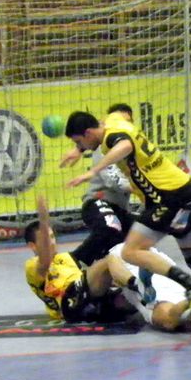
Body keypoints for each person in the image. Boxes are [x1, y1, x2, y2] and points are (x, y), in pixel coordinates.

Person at [63, 104, 191, 332]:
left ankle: (190, 283)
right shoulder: (114, 119)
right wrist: (79, 150)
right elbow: (120, 116)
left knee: (130, 251)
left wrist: (93, 170)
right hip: (184, 189)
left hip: (166, 197)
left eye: (79, 141)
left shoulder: (110, 139)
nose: (81, 147)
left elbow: (125, 145)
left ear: (88, 133)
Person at [24, 195, 135, 323]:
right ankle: (135, 283)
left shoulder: (66, 257)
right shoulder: (32, 266)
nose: (52, 242)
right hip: (69, 302)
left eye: (52, 237)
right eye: (45, 239)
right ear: (32, 245)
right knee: (110, 260)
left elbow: (92, 262)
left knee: (129, 302)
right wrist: (44, 220)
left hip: (86, 298)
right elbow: (44, 262)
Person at [63, 105, 134, 266]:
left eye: (128, 121)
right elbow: (114, 181)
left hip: (121, 208)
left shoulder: (127, 140)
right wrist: (142, 187)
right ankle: (72, 263)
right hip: (97, 202)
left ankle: (103, 269)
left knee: (140, 237)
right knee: (110, 227)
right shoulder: (105, 146)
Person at [107, 243, 191, 332]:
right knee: (186, 322)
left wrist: (132, 284)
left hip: (150, 294)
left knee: (170, 322)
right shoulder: (152, 250)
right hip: (175, 285)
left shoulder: (116, 251)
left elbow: (116, 274)